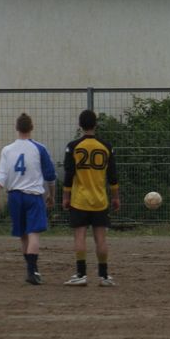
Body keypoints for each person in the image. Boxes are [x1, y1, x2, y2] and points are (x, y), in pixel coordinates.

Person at [0, 113, 58, 285]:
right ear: (31, 127)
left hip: (14, 196)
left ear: (16, 128)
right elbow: (50, 176)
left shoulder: (7, 150)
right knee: (33, 233)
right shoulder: (39, 148)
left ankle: (30, 269)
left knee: (23, 235)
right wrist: (51, 195)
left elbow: (1, 175)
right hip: (33, 196)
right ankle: (33, 271)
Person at [62, 109, 120, 286]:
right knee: (100, 238)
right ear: (95, 125)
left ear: (80, 125)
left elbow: (69, 174)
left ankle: (81, 275)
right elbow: (113, 175)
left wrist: (66, 196)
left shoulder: (73, 146)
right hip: (99, 200)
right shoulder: (106, 146)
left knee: (79, 236)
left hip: (79, 200)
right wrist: (115, 197)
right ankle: (104, 276)